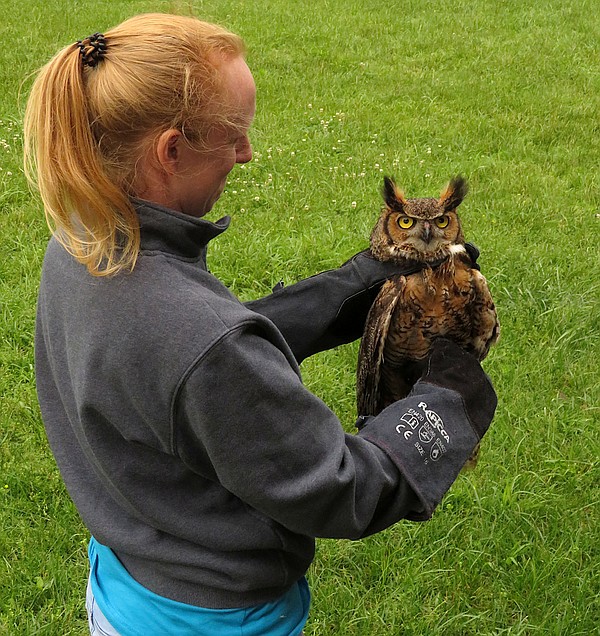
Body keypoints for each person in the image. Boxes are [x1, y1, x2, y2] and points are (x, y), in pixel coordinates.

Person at [24, 13, 497, 636]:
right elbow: (340, 486)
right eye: (233, 135)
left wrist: (347, 286)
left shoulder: (83, 240)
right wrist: (444, 406)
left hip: (131, 577)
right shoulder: (198, 340)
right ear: (171, 150)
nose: (247, 155)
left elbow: (181, 370)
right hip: (215, 618)